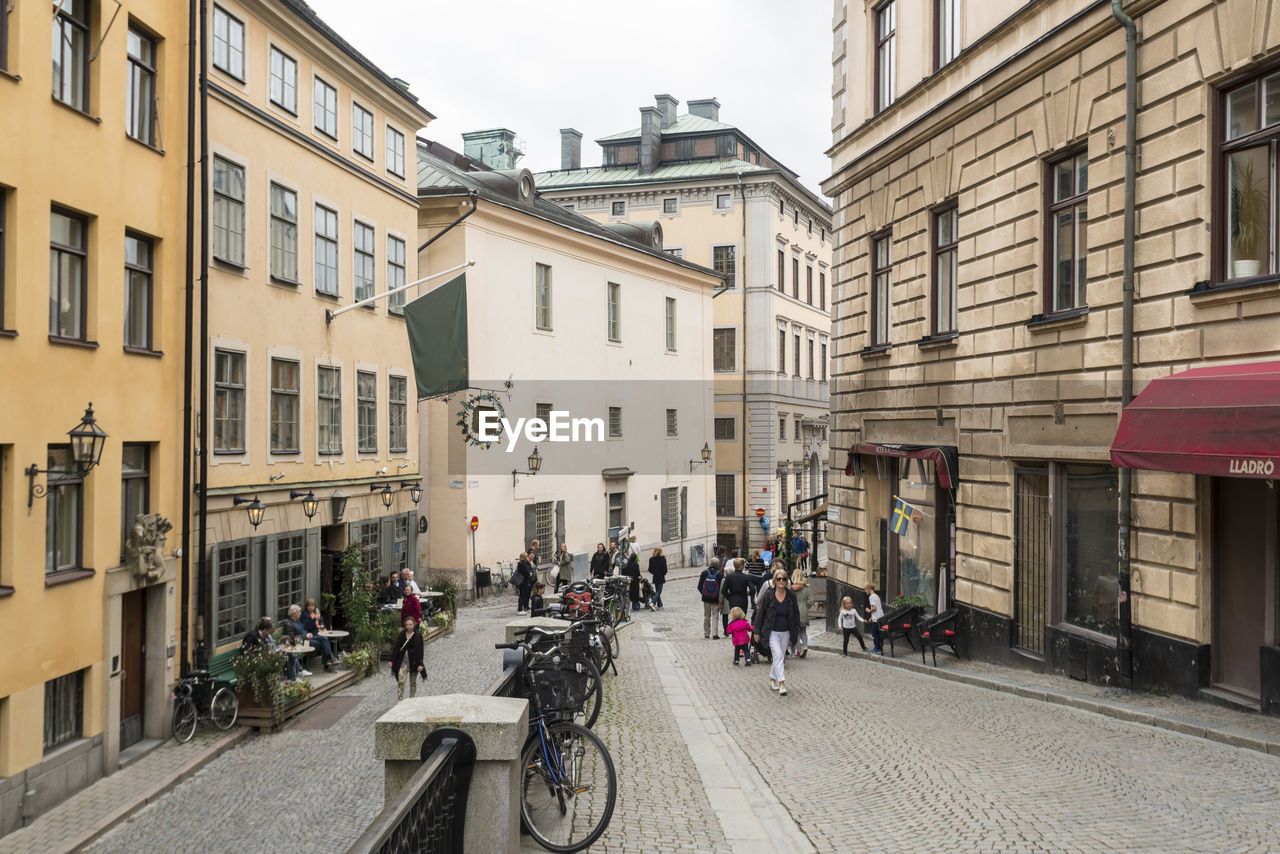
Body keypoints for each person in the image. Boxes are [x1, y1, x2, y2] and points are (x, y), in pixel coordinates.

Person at [753, 568, 800, 695]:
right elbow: (760, 613)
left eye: (784, 579)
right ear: (775, 580)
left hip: (786, 631)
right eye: (778, 579)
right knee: (778, 655)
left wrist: (797, 630)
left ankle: (772, 678)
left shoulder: (791, 596)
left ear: (786, 581)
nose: (781, 581)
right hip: (772, 631)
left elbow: (796, 614)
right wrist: (756, 631)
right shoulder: (769, 595)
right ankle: (782, 683)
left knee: (779, 656)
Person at [391, 616, 426, 701]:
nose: (409, 626)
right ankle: (400, 700)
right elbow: (396, 648)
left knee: (412, 683)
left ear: (414, 625)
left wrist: (420, 664)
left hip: (414, 663)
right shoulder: (402, 635)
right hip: (402, 662)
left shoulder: (418, 636)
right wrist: (392, 660)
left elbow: (421, 651)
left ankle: (411, 699)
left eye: (410, 624)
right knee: (401, 681)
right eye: (407, 625)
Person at [302, 599, 339, 669]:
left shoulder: (315, 613)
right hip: (313, 634)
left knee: (334, 638)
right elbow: (308, 627)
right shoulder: (305, 615)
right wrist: (314, 619)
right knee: (324, 639)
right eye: (309, 606)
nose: (311, 608)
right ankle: (330, 658)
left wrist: (324, 628)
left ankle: (332, 658)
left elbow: (321, 623)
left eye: (312, 606)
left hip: (320, 632)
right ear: (306, 606)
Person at [720, 558, 758, 627]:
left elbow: (723, 591)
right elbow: (753, 590)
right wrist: (749, 593)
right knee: (742, 620)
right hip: (743, 601)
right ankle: (741, 635)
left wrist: (730, 598)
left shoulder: (729, 577)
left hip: (733, 601)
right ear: (741, 566)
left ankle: (735, 636)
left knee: (734, 620)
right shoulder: (746, 577)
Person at [697, 558, 723, 639]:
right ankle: (715, 634)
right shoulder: (720, 574)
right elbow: (722, 588)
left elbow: (699, 586)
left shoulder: (704, 573)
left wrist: (705, 594)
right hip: (716, 599)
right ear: (717, 564)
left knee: (706, 616)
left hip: (706, 599)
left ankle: (706, 634)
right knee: (715, 616)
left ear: (710, 563)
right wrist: (719, 599)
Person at [790, 570, 812, 658]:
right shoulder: (807, 588)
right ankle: (805, 646)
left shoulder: (791, 588)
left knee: (795, 632)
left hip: (795, 612)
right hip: (804, 612)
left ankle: (796, 651)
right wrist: (806, 607)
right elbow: (810, 601)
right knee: (803, 631)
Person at [863, 582, 884, 655]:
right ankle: (880, 648)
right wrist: (872, 617)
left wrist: (869, 610)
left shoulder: (871, 597)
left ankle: (877, 648)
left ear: (868, 589)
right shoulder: (876, 596)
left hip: (876, 619)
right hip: (880, 617)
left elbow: (874, 608)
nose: (865, 591)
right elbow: (878, 608)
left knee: (874, 633)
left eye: (865, 589)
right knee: (878, 634)